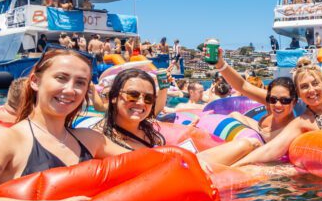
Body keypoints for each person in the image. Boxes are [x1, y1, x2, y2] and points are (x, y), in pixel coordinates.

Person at [0, 49, 128, 201]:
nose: (70, 89)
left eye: (80, 82)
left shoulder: (91, 139)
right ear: (35, 82)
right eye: (61, 78)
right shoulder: (6, 140)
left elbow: (149, 164)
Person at [96, 68, 257, 166]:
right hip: (175, 172)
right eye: (132, 95)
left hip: (181, 168)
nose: (140, 102)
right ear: (114, 96)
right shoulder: (99, 139)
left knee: (250, 144)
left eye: (148, 98)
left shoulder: (149, 129)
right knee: (247, 146)